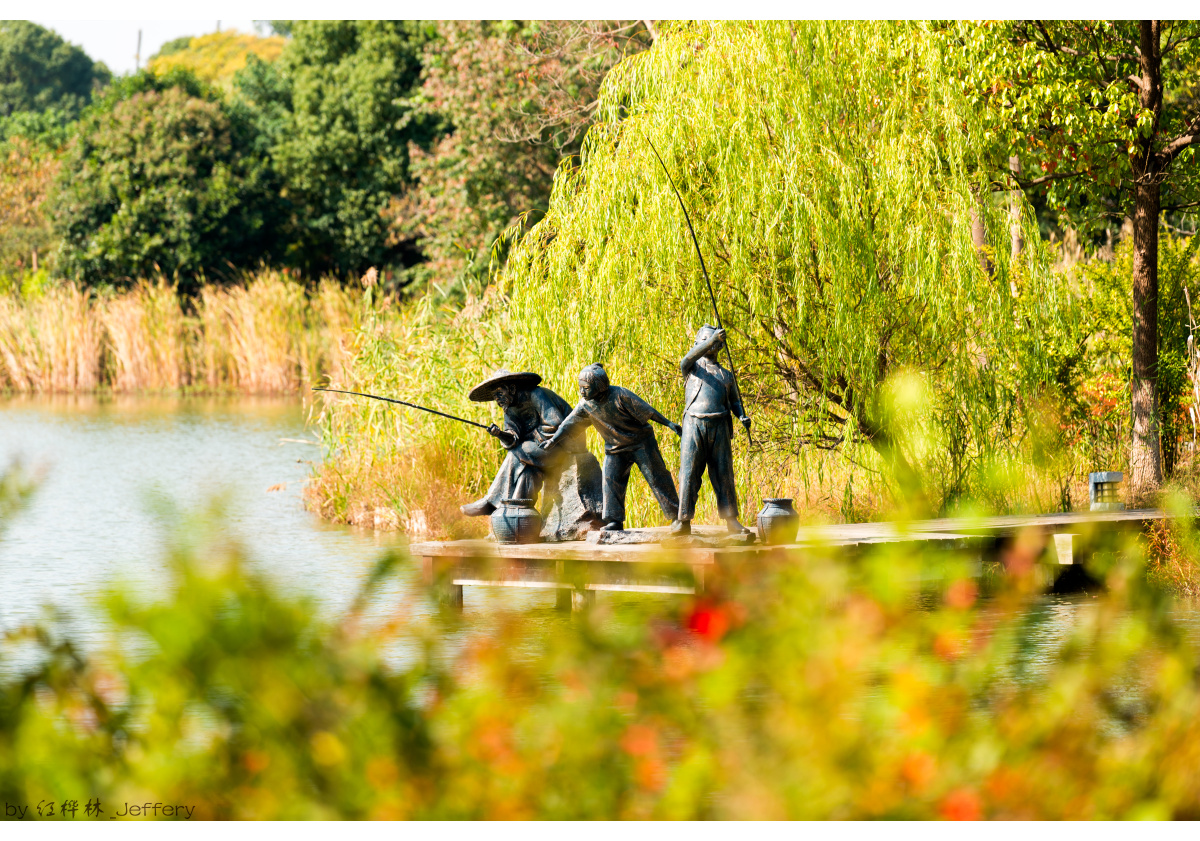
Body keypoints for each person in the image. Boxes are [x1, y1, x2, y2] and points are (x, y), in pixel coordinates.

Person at [542, 364, 681, 531]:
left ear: (599, 386)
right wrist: (553, 441)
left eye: (585, 388)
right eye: (580, 388)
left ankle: (677, 518)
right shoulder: (585, 405)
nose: (582, 392)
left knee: (657, 477)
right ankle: (614, 521)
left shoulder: (619, 394)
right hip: (614, 449)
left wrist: (669, 424)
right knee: (610, 481)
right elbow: (567, 425)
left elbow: (648, 411)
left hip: (641, 443)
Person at [459, 368, 597, 520]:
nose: (498, 400)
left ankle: (491, 501)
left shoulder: (536, 394)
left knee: (518, 452)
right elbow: (513, 437)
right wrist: (500, 434)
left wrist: (529, 437)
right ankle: (513, 517)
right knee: (528, 473)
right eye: (494, 397)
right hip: (541, 451)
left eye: (499, 394)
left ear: (511, 389)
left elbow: (555, 424)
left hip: (565, 446)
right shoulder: (509, 408)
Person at [671, 325, 752, 536]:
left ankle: (732, 521)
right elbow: (686, 359)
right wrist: (711, 338)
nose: (712, 344)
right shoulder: (691, 368)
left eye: (716, 342)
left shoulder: (726, 375)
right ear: (698, 344)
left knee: (724, 475)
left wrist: (741, 414)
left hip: (720, 427)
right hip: (694, 425)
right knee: (689, 474)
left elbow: (734, 400)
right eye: (706, 340)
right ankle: (683, 521)